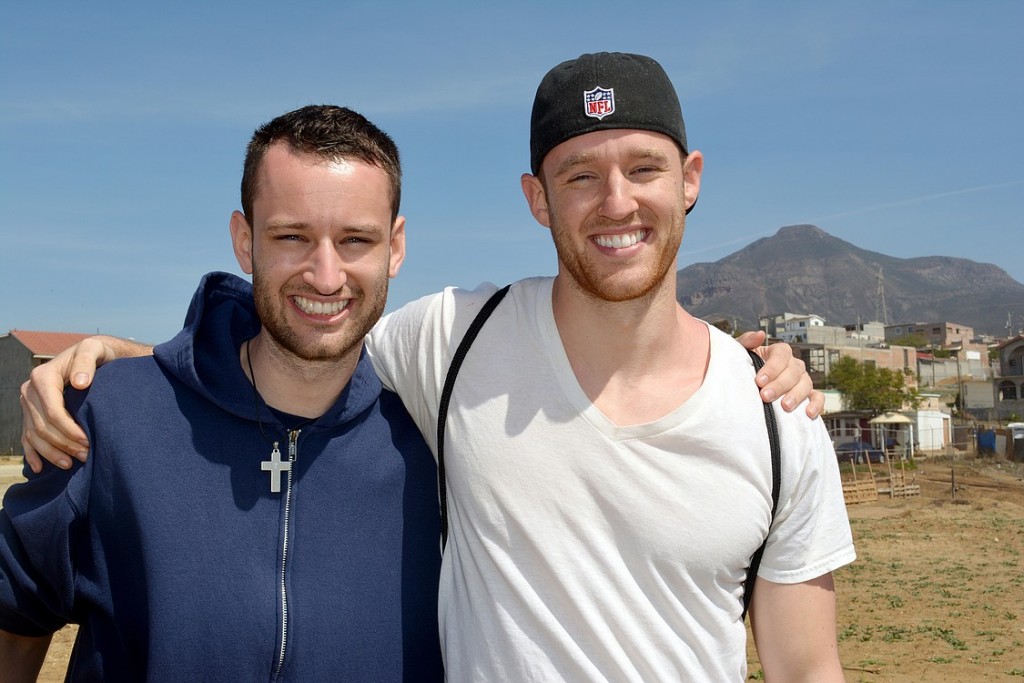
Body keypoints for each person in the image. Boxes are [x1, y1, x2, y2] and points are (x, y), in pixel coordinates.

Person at [17, 55, 835, 681]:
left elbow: (808, 669)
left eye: (644, 169)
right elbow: (299, 339)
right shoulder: (458, 342)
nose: (616, 202)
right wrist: (130, 369)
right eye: (580, 175)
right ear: (537, 198)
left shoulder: (775, 415)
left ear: (690, 180)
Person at [0, 106, 444, 680]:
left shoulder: (438, 437)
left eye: (356, 239)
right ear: (244, 240)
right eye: (292, 236)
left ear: (396, 246)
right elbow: (14, 625)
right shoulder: (111, 419)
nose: (326, 275)